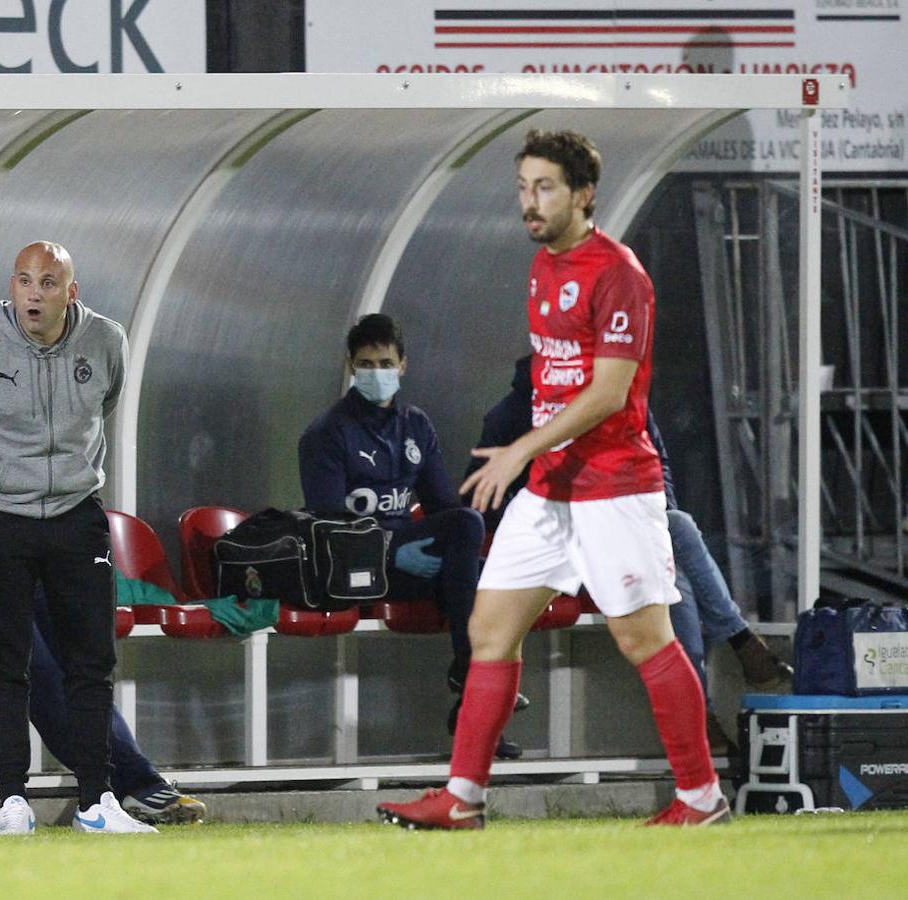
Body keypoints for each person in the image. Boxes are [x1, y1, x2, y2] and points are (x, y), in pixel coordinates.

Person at [379, 130, 728, 830]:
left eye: (543, 188)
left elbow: (606, 393)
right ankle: (463, 799)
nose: (529, 203)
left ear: (583, 193)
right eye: (522, 188)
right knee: (489, 628)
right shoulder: (542, 267)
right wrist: (529, 459)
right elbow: (554, 380)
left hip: (614, 485)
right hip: (550, 488)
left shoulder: (619, 272)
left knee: (643, 639)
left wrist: (515, 452)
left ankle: (701, 797)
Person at [0, 302, 205, 830]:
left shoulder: (22, 421)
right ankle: (121, 788)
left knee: (83, 662)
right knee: (35, 667)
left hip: (32, 570)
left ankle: (124, 787)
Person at [0, 241, 155, 835]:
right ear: (12, 285)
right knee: (7, 662)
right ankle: (12, 801)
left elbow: (106, 401)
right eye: (25, 280)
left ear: (70, 292)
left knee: (91, 662)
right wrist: (1, 477)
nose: (34, 292)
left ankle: (97, 802)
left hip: (76, 513)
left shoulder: (106, 341)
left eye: (49, 283)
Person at [469, 355, 793, 755]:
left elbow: (658, 466)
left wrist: (649, 520)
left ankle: (703, 716)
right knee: (680, 534)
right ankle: (739, 646)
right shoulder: (512, 414)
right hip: (555, 551)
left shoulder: (619, 398)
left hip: (623, 534)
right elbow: (480, 500)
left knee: (674, 567)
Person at [298, 313, 523, 760]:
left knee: (492, 580)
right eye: (366, 364)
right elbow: (328, 524)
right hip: (358, 566)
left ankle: (473, 693)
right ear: (350, 367)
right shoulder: (326, 434)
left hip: (413, 560)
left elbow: (444, 507)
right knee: (469, 555)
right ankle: (475, 693)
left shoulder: (416, 425)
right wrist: (392, 553)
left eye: (384, 363)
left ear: (403, 365)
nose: (375, 373)